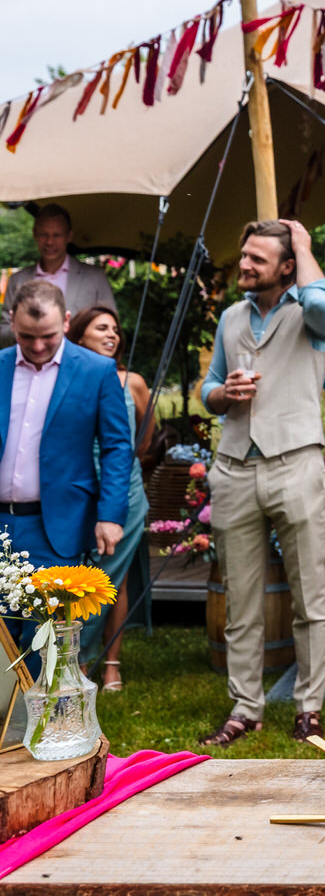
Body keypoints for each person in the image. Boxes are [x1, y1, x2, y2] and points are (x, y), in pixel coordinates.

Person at [199, 219, 325, 747]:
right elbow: (208, 386)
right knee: (242, 598)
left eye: (258, 258)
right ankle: (245, 707)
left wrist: (303, 245)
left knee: (311, 596)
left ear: (287, 266)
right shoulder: (231, 316)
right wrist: (222, 393)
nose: (244, 264)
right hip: (234, 465)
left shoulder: (313, 314)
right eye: (245, 254)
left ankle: (309, 707)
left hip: (296, 464)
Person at [0, 281, 131, 670]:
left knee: (47, 639)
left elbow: (117, 447)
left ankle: (42, 727)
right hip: (0, 521)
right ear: (11, 321)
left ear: (68, 321)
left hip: (55, 525)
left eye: (48, 337)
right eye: (27, 337)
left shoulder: (97, 371)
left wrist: (110, 515)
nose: (38, 347)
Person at [67, 305, 154, 692]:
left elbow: (145, 438)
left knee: (113, 579)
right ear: (79, 334)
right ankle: (79, 660)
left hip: (126, 491)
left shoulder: (131, 381)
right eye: (101, 328)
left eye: (115, 329)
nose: (112, 335)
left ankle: (110, 665)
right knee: (81, 580)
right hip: (80, 490)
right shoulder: (68, 379)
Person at [0, 204, 117, 349]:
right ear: (35, 234)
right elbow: (4, 333)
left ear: (69, 236)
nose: (49, 242)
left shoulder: (95, 278)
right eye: (44, 234)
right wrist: (29, 330)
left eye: (56, 235)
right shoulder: (17, 281)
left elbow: (112, 327)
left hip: (82, 366)